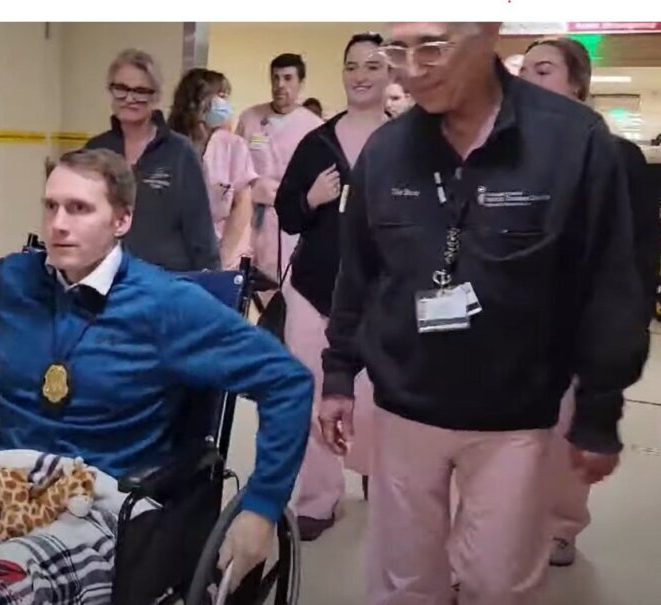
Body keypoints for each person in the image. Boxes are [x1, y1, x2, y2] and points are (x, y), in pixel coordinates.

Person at [319, 22, 650, 605]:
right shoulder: (387, 151)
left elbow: (611, 282)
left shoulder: (571, 141)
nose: (412, 68)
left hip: (515, 416)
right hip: (405, 407)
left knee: (499, 585)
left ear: (489, 32)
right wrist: (339, 375)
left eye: (432, 46)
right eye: (399, 50)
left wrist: (599, 410)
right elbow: (359, 273)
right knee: (403, 585)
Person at [0, 147, 313, 592]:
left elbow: (287, 382)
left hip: (94, 508)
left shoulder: (167, 305)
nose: (58, 224)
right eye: (51, 206)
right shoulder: (10, 280)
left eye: (79, 209)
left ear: (122, 221)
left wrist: (262, 507)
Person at [520, 35, 660, 567]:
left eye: (543, 70)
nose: (527, 81)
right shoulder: (507, 155)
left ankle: (561, 526)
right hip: (514, 323)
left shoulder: (617, 157)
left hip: (580, 322)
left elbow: (635, 254)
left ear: (577, 84)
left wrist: (622, 330)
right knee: (509, 441)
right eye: (523, 72)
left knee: (565, 438)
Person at [274, 31, 391, 540]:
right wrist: (313, 199)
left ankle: (380, 481)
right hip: (314, 291)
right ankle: (319, 498)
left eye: (372, 65)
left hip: (382, 297)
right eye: (351, 66)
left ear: (390, 73)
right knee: (314, 394)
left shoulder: (406, 141)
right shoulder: (317, 143)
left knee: (379, 399)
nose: (360, 76)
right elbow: (286, 212)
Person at [84, 48, 219, 272]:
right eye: (121, 89)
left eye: (140, 91)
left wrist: (210, 282)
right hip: (107, 278)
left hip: (167, 281)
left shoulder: (179, 152)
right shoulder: (95, 151)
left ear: (155, 96)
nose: (130, 98)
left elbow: (200, 230)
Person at [236, 53, 324, 284]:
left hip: (289, 224)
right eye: (275, 78)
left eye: (287, 78)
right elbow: (235, 168)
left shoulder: (314, 128)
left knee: (284, 284)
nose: (280, 85)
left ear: (300, 83)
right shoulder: (250, 118)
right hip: (249, 216)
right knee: (244, 282)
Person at [168, 68, 258, 269]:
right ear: (198, 100)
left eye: (226, 97)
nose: (225, 104)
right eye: (220, 96)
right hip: (176, 254)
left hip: (224, 255)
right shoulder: (171, 145)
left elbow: (242, 205)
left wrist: (221, 260)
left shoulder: (233, 146)